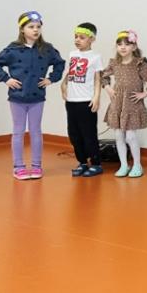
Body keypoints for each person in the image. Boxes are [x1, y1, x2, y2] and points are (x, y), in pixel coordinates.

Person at [0, 11, 65, 180]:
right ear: (22, 29)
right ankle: (19, 167)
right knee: (18, 131)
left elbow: (60, 64)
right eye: (31, 27)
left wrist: (51, 79)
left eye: (38, 27)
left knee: (36, 131)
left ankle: (37, 166)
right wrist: (6, 79)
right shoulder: (12, 49)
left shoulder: (47, 49)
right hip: (17, 97)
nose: (35, 30)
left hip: (37, 97)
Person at [102, 30, 147, 178]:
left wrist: (145, 93)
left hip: (132, 105)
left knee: (131, 137)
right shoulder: (114, 63)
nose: (122, 47)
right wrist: (108, 88)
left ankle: (137, 165)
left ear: (133, 47)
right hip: (117, 104)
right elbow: (103, 76)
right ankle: (123, 165)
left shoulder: (139, 64)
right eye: (119, 44)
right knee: (118, 135)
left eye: (127, 44)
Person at [63, 22, 103, 177]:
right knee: (74, 134)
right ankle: (82, 162)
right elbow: (70, 73)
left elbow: (98, 79)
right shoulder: (72, 54)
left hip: (86, 101)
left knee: (88, 134)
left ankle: (96, 163)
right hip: (71, 101)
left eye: (81, 37)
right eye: (76, 37)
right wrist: (63, 84)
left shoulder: (95, 57)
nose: (77, 40)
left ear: (91, 39)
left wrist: (97, 97)